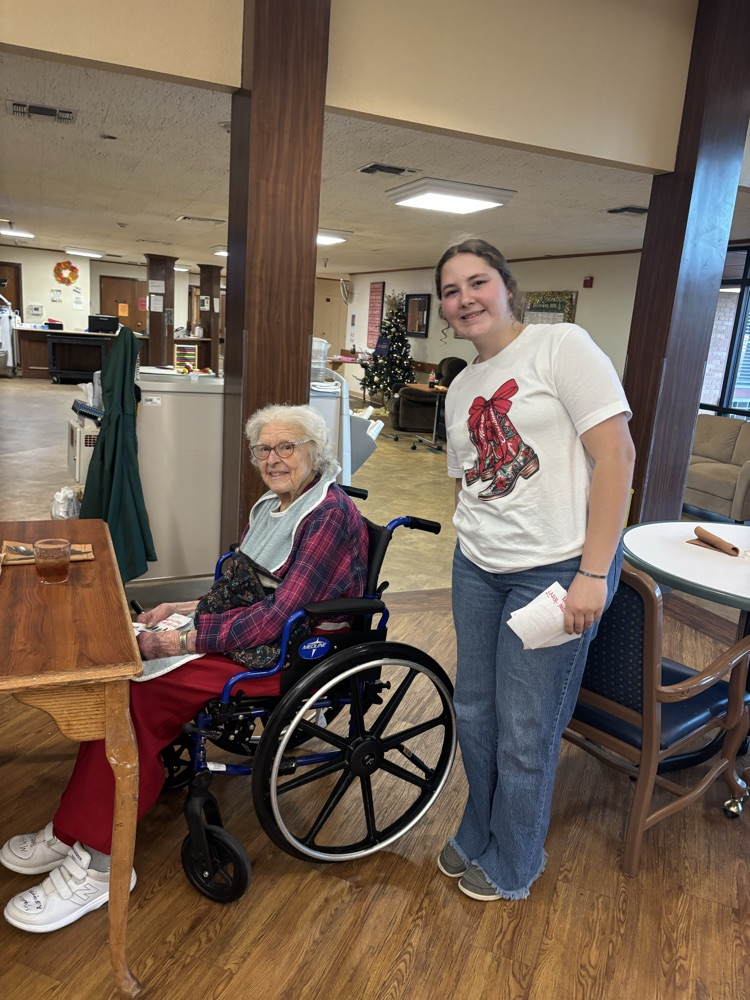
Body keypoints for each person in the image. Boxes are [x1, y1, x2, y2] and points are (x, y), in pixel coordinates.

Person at [1, 403, 369, 933]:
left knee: (132, 699)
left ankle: (103, 864)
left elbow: (279, 616)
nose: (274, 459)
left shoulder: (327, 517)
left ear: (316, 452)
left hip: (288, 653)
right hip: (253, 635)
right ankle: (70, 829)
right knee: (119, 678)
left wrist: (187, 637)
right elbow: (245, 586)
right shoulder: (274, 505)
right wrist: (188, 607)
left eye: (287, 447)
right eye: (264, 449)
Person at [434, 239, 635, 902]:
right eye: (451, 290)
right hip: (477, 569)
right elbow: (465, 483)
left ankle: (515, 860)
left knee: (527, 727)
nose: (464, 298)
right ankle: (479, 824)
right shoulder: (461, 384)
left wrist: (594, 574)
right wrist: (471, 542)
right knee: (478, 711)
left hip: (552, 574)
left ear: (507, 287)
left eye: (477, 281)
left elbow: (616, 460)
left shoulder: (562, 347)